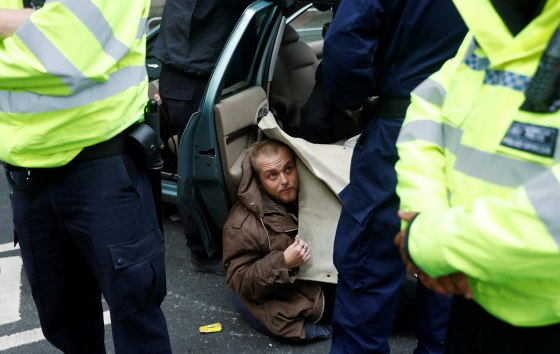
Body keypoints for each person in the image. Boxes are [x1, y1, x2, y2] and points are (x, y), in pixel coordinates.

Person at [0, 1, 172, 353]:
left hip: (104, 167)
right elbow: (52, 46)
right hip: (28, 176)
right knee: (66, 327)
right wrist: (35, 26)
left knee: (137, 319)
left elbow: (69, 55)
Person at [394, 0, 560, 353]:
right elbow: (429, 110)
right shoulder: (489, 26)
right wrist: (426, 218)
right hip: (471, 299)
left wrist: (431, 242)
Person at [320, 1, 467, 353]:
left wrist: (350, 103)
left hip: (401, 128)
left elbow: (347, 40)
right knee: (456, 263)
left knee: (368, 264)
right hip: (477, 130)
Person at [152, 0, 296, 274]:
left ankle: (220, 242)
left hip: (206, 68)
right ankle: (204, 252)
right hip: (195, 74)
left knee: (207, 164)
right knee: (197, 169)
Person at [223, 139, 335, 342]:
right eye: (272, 175)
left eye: (288, 169)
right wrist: (283, 261)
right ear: (259, 181)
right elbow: (239, 280)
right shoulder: (241, 225)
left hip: (327, 275)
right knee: (385, 303)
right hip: (306, 295)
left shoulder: (306, 190)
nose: (284, 180)